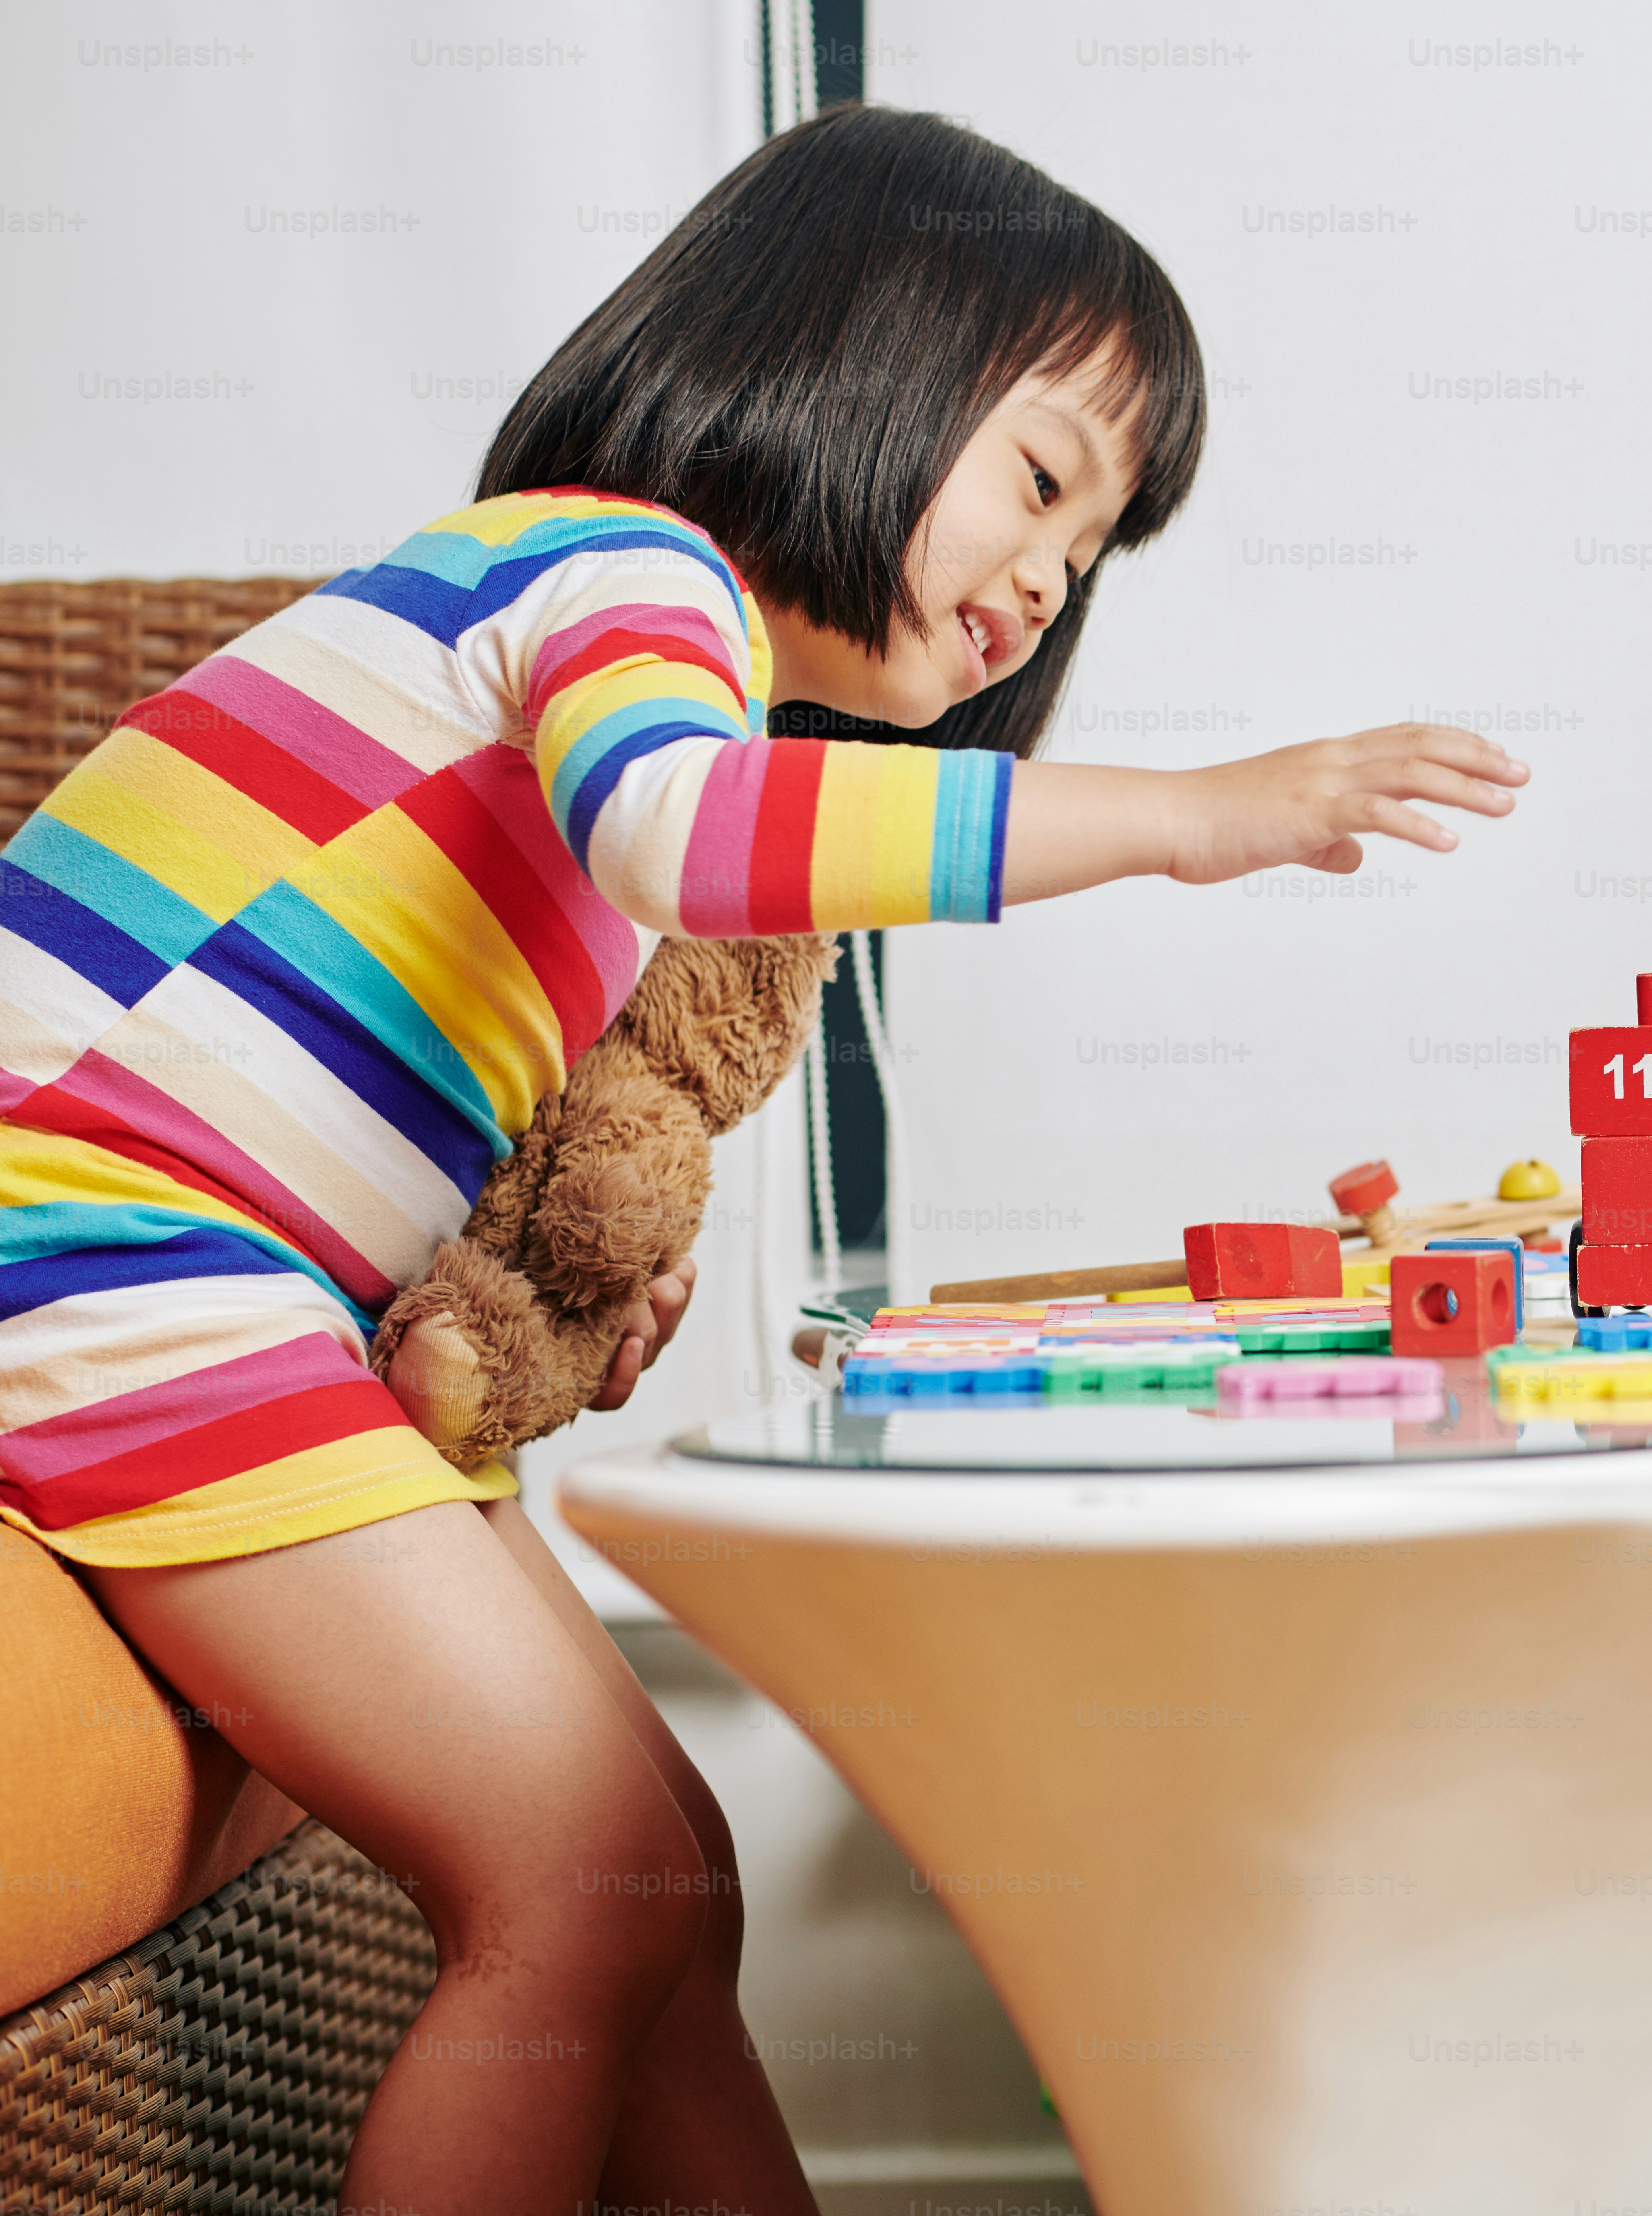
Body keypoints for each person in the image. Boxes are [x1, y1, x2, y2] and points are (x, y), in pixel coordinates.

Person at [0, 107, 1524, 2215]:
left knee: (665, 1881)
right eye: (1043, 481)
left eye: (1090, 557)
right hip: (107, 1252)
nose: (1043, 587)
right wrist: (1194, 817)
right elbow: (688, 833)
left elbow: (437, 1060)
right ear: (851, 346)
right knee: (573, 1878)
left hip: (225, 1278)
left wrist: (552, 1276)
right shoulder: (622, 572)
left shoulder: (615, 636)